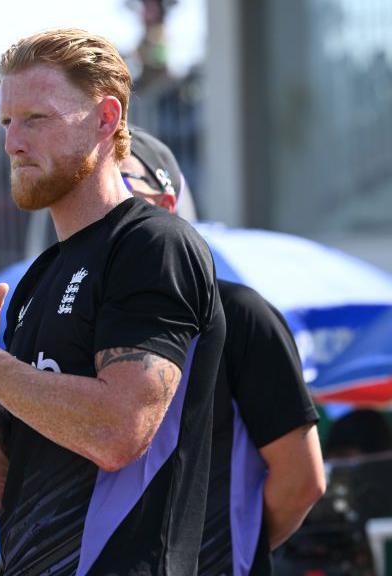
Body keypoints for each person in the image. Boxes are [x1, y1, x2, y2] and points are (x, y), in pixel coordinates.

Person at [0, 28, 226, 575]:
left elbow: (118, 430)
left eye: (36, 119)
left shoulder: (153, 243)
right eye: (7, 122)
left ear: (106, 118)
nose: (11, 143)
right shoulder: (37, 280)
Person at [122, 127, 325, 575]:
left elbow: (302, 481)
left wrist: (224, 550)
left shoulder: (239, 313)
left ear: (166, 203)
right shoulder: (74, 327)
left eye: (120, 181)